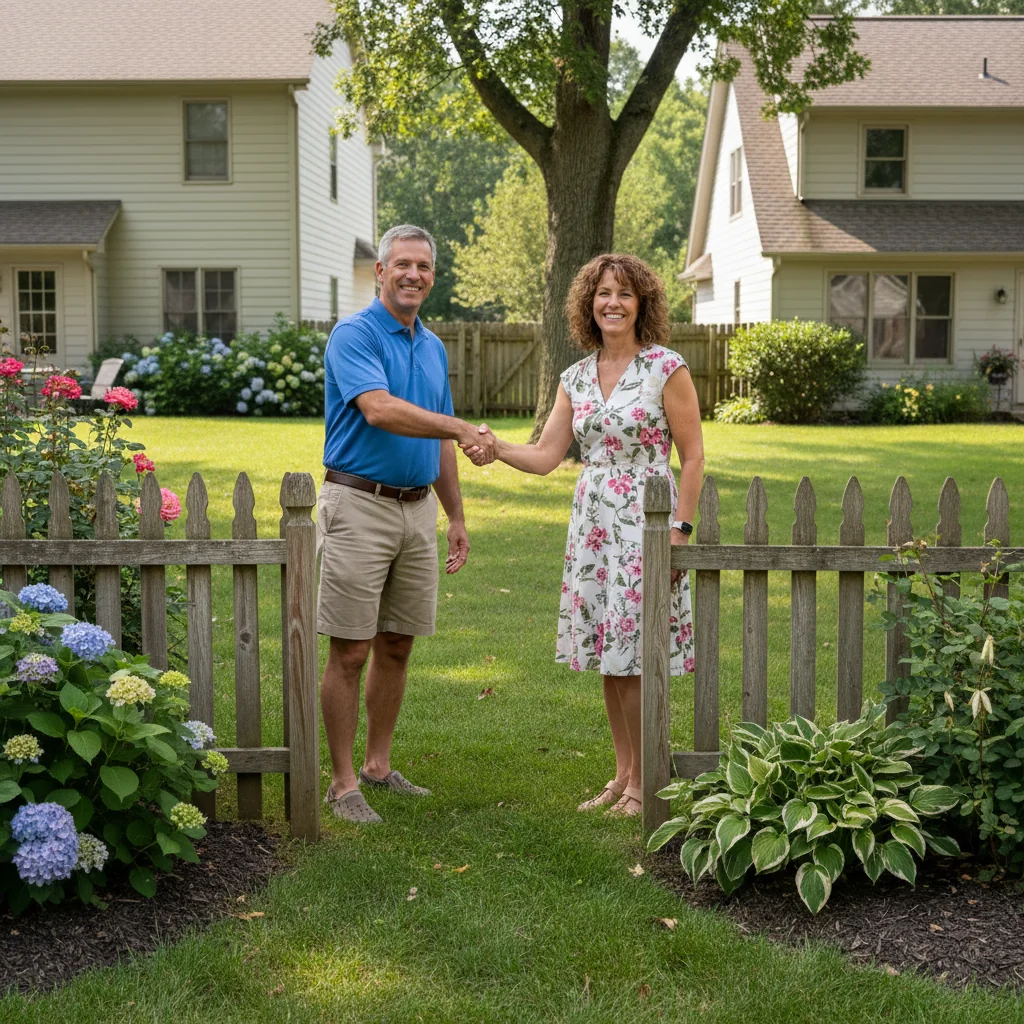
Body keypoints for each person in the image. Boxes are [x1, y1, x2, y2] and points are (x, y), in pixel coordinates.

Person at [463, 254, 704, 817]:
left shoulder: (666, 368)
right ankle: (622, 777)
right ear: (587, 305)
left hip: (647, 521)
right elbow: (548, 455)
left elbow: (692, 457)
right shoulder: (575, 376)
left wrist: (681, 531)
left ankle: (648, 783)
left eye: (624, 293)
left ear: (642, 302)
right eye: (602, 293)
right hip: (594, 526)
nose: (612, 302)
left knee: (638, 653)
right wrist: (496, 448)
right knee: (608, 651)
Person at [318, 224, 497, 823]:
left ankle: (377, 765)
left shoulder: (433, 346)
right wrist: (459, 427)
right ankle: (343, 785)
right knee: (351, 650)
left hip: (418, 508)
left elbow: (438, 437)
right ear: (380, 271)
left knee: (397, 644)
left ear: (432, 277)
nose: (413, 275)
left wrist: (456, 515)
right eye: (402, 264)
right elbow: (380, 410)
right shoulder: (355, 334)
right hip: (358, 505)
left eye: (423, 266)